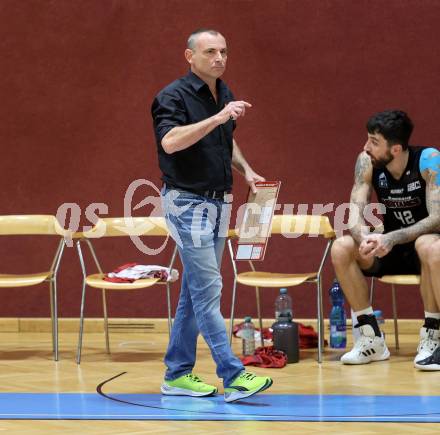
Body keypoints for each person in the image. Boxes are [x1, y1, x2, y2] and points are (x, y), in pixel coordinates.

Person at [151, 29, 273, 402]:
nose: (219, 58)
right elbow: (170, 141)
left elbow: (225, 140)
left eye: (223, 51)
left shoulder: (223, 92)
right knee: (208, 293)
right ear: (189, 56)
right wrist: (218, 117)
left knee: (194, 292)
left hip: (219, 202)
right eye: (210, 52)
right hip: (187, 204)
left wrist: (247, 171)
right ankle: (233, 375)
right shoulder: (172, 96)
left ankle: (177, 374)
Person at [331, 110, 440, 370]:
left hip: (425, 248)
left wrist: (392, 237)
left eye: (374, 142)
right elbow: (354, 212)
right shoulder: (366, 161)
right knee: (342, 246)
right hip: (387, 247)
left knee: (428, 245)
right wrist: (364, 237)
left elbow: (437, 217)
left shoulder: (429, 159)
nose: (365, 147)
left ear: (396, 149)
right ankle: (371, 338)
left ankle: (433, 336)